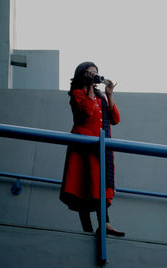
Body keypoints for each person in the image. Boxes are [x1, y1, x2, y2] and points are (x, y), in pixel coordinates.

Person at [60, 61, 125, 237]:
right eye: (90, 73)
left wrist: (109, 95)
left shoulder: (101, 97)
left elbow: (115, 119)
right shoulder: (77, 93)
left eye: (95, 73)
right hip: (82, 147)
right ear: (82, 74)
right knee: (83, 186)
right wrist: (89, 87)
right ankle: (88, 230)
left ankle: (105, 224)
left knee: (99, 185)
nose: (93, 75)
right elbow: (86, 112)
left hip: (98, 148)